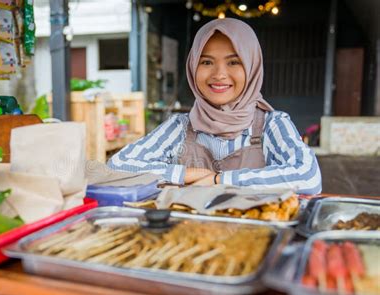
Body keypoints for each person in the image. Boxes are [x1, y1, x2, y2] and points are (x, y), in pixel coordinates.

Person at [108, 18, 321, 195]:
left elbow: (308, 177)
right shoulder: (180, 127)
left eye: (233, 62)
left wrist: (219, 180)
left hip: (254, 237)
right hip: (190, 235)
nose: (219, 74)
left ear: (252, 67)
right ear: (193, 68)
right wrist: (184, 174)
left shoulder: (271, 124)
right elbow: (118, 165)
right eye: (207, 62)